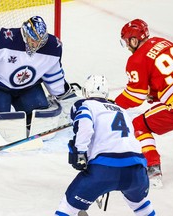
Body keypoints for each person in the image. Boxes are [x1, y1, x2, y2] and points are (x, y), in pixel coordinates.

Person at [55, 75, 155, 216]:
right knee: (141, 206)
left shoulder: (85, 104)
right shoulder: (122, 111)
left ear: (86, 92)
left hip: (104, 170)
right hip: (136, 170)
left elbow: (85, 125)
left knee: (68, 207)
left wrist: (80, 152)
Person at [0, 16, 74, 126]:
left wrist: (62, 94)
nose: (37, 45)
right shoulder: (5, 40)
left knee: (39, 118)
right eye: (33, 40)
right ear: (26, 34)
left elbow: (52, 71)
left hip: (28, 88)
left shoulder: (53, 47)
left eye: (40, 41)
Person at [115, 18, 173, 187]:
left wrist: (114, 105)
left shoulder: (136, 60)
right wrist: (155, 94)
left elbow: (134, 97)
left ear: (134, 40)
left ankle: (153, 169)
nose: (127, 46)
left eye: (127, 42)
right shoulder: (164, 42)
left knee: (139, 124)